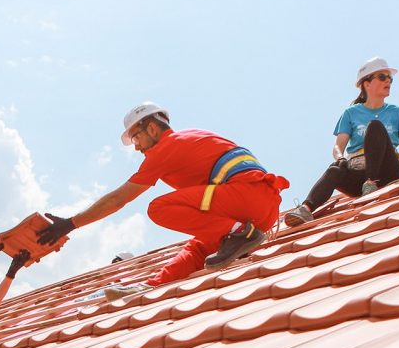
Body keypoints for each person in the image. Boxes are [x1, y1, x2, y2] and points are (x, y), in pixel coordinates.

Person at [35, 103, 290, 299]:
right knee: (199, 247)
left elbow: (117, 199)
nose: (137, 148)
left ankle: (242, 233)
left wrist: (69, 224)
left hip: (246, 198)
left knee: (160, 208)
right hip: (261, 207)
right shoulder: (193, 135)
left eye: (136, 138)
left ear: (152, 129)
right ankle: (150, 286)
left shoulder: (165, 149)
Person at [283, 58, 399, 226]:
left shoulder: (396, 113)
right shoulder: (351, 113)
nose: (388, 81)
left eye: (390, 78)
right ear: (366, 84)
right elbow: (338, 146)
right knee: (334, 170)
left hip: (389, 171)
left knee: (375, 127)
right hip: (358, 173)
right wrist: (340, 158)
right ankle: (305, 209)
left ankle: (371, 183)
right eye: (382, 77)